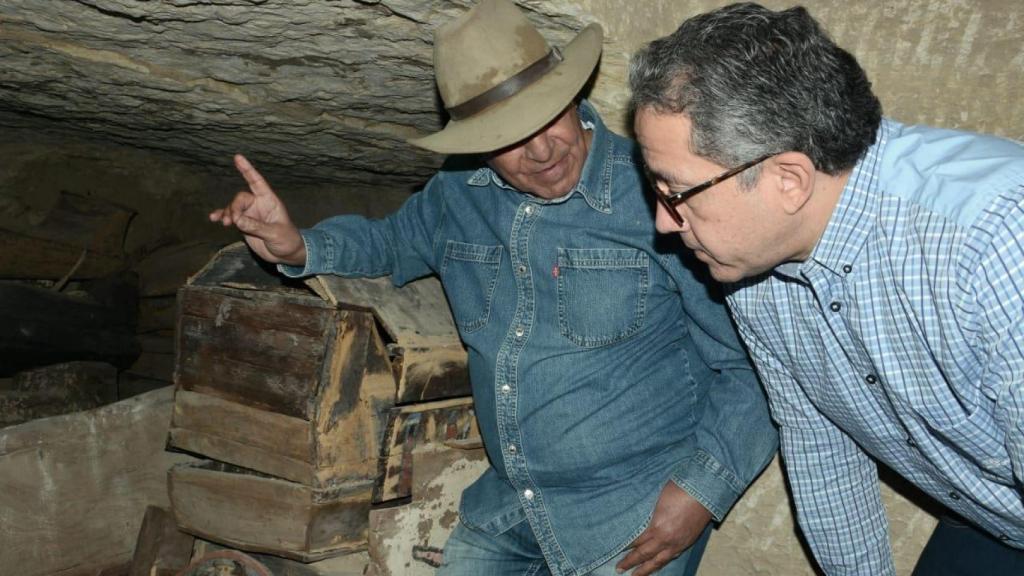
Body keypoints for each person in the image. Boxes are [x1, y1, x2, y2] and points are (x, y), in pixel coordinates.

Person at [210, 1, 775, 575]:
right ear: (478, 144)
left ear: (572, 95)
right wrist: (295, 246)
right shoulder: (457, 195)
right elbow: (388, 242)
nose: (542, 151)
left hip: (633, 511)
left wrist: (703, 491)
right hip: (511, 502)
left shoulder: (660, 199)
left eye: (549, 117)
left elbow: (753, 364)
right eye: (510, 138)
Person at [629, 3, 1024, 575]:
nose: (664, 222)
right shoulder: (751, 272)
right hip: (992, 517)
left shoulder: (994, 241)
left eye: (678, 192)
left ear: (788, 180)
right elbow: (822, 448)